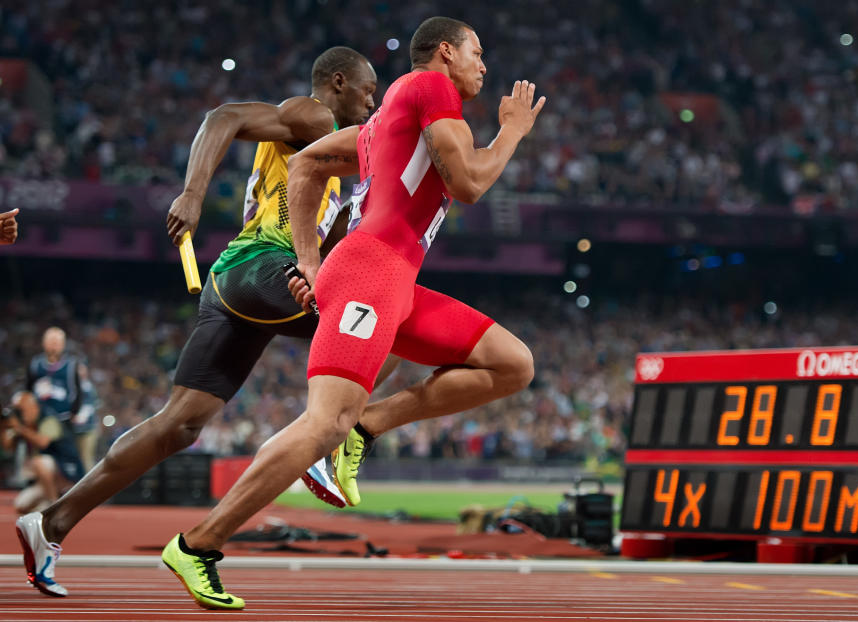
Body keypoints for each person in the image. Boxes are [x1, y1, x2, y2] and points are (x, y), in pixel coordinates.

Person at [161, 16, 545, 610]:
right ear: (445, 52)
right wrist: (512, 132)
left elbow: (306, 164)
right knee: (323, 424)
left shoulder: (383, 127)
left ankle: (368, 427)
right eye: (477, 52)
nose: (484, 65)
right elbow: (468, 185)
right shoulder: (428, 88)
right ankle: (198, 544)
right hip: (372, 271)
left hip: (393, 279)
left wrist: (313, 264)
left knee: (512, 365)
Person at [14, 46, 384, 600]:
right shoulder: (315, 115)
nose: (372, 102)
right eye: (368, 91)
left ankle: (51, 523)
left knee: (179, 425)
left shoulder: (335, 165)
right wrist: (192, 193)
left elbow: (325, 245)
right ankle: (337, 439)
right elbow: (224, 116)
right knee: (388, 317)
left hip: (237, 286)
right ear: (338, 83)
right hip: (261, 267)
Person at [4, 391, 83, 518]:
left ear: (33, 406)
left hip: (65, 473)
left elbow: (43, 442)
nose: (19, 414)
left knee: (39, 461)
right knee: (21, 505)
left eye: (21, 410)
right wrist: (5, 428)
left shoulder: (48, 417)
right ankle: (47, 503)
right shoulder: (23, 424)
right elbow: (8, 447)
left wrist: (20, 429)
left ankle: (54, 505)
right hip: (44, 480)